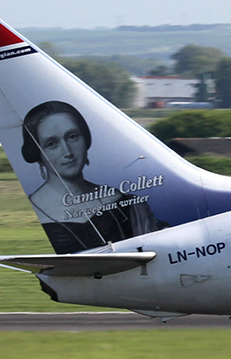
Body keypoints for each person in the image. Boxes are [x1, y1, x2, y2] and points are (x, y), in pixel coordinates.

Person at [20, 101, 163, 253]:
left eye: (72, 137)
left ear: (85, 139)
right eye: (51, 144)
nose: (67, 152)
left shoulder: (125, 203)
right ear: (38, 154)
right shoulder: (35, 213)